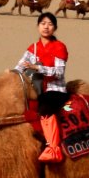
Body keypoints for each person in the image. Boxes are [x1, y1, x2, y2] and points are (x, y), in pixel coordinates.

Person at [13, 12, 68, 163]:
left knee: (45, 108)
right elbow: (19, 68)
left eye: (50, 24)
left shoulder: (59, 47)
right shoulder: (33, 48)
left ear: (55, 28)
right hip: (37, 90)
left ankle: (53, 149)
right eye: (43, 23)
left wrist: (37, 68)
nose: (46, 27)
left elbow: (59, 72)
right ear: (38, 26)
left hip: (55, 89)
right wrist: (11, 74)